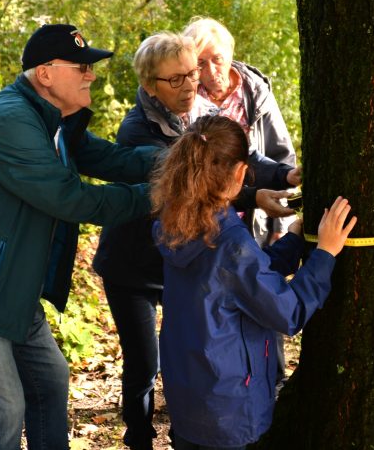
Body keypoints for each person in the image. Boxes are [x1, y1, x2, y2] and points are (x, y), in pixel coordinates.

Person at [0, 24, 157, 450]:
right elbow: (72, 199)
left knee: (49, 380)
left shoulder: (53, 121)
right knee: (4, 409)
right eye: (82, 67)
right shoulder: (10, 120)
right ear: (46, 73)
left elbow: (113, 159)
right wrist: (158, 196)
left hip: (11, 291)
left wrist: (178, 158)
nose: (92, 75)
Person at [92, 31, 300, 450]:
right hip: (134, 265)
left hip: (180, 259)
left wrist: (283, 175)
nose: (190, 85)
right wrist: (253, 195)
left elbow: (233, 156)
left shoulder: (200, 110)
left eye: (192, 74)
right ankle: (139, 436)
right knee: (143, 364)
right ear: (150, 86)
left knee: (192, 348)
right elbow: (188, 184)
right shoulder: (137, 130)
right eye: (176, 80)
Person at [151, 115, 357, 450]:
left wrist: (293, 242)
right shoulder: (230, 243)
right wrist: (326, 253)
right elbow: (287, 312)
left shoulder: (177, 221)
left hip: (190, 398)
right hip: (231, 409)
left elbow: (242, 281)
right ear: (239, 172)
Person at [182, 16, 296, 247]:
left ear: (231, 54)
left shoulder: (255, 93)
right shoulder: (187, 98)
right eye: (201, 63)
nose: (212, 70)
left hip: (256, 219)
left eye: (218, 59)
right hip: (208, 222)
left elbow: (281, 155)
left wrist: (282, 225)